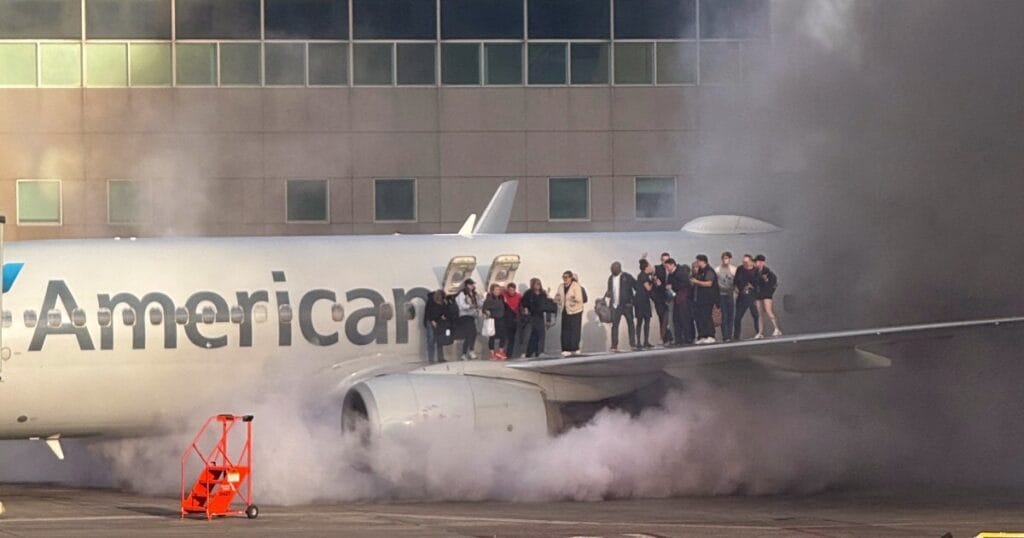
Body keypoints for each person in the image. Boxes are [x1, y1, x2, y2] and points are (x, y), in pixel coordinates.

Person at [604, 261, 637, 352]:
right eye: (611, 269)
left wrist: (632, 300)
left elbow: (636, 286)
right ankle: (614, 345)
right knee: (615, 325)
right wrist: (608, 295)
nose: (612, 271)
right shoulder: (610, 278)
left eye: (614, 269)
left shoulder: (627, 277)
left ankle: (633, 344)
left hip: (627, 305)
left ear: (619, 268)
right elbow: (610, 290)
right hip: (615, 305)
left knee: (630, 324)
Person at [554, 270, 585, 356]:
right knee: (565, 330)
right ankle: (565, 348)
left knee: (575, 330)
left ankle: (574, 348)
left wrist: (572, 299)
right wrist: (557, 299)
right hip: (565, 310)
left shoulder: (576, 286)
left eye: (566, 277)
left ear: (571, 278)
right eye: (563, 277)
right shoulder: (561, 286)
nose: (565, 279)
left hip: (575, 310)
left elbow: (580, 299)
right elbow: (558, 296)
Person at [690, 254, 719, 345]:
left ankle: (711, 335)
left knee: (707, 317)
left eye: (698, 261)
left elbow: (709, 283)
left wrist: (696, 282)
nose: (697, 263)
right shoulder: (699, 272)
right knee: (700, 317)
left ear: (703, 261)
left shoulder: (709, 271)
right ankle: (702, 335)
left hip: (707, 299)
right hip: (699, 299)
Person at [665, 259, 695, 345]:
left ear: (672, 265)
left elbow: (685, 284)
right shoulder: (670, 275)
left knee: (685, 318)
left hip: (684, 298)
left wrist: (673, 286)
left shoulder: (681, 272)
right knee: (676, 319)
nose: (667, 269)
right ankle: (678, 339)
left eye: (668, 267)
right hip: (676, 298)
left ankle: (688, 338)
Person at [754, 254, 783, 338]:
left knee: (768, 310)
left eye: (760, 262)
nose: (758, 264)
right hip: (758, 294)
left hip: (766, 294)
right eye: (757, 262)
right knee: (759, 313)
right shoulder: (755, 272)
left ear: (763, 262)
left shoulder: (768, 272)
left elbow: (774, 283)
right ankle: (760, 332)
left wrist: (769, 292)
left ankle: (777, 328)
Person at [520, 278, 550, 357]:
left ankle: (540, 352)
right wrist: (525, 309)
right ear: (533, 284)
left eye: (539, 283)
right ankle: (525, 352)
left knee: (541, 335)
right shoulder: (528, 293)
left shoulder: (543, 294)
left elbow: (547, 305)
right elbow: (524, 303)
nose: (538, 285)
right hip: (531, 316)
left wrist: (548, 319)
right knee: (528, 335)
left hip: (540, 316)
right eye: (536, 283)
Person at [733, 254, 760, 340]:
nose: (745, 264)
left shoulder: (756, 270)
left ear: (751, 262)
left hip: (752, 296)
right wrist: (738, 289)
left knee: (756, 315)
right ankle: (736, 336)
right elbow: (736, 281)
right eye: (744, 262)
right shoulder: (740, 269)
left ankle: (759, 332)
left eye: (747, 262)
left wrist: (755, 291)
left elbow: (758, 283)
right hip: (742, 296)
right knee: (737, 317)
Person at [454, 279, 481, 360]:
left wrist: (481, 301)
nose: (473, 286)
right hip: (465, 316)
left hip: (472, 315)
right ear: (467, 285)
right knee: (469, 333)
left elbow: (478, 303)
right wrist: (470, 306)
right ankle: (465, 353)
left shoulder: (474, 294)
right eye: (471, 284)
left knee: (473, 333)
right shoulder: (462, 294)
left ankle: (470, 350)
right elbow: (461, 305)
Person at [423, 289, 449, 363]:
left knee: (439, 339)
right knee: (431, 339)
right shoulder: (431, 301)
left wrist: (443, 317)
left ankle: (440, 357)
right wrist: (432, 321)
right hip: (430, 321)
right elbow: (428, 312)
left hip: (439, 321)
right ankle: (431, 359)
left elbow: (444, 311)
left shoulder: (443, 302)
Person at [482, 283, 507, 360]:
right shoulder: (489, 299)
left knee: (503, 335)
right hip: (493, 319)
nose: (498, 291)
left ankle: (500, 351)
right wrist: (487, 312)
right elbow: (484, 308)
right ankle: (492, 353)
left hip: (501, 318)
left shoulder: (501, 298)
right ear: (492, 291)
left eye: (498, 290)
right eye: (496, 290)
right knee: (492, 336)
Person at [716, 252, 737, 342]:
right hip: (721, 294)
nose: (725, 260)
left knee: (731, 315)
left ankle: (730, 334)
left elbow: (737, 282)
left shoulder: (733, 269)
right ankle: (725, 336)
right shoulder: (717, 270)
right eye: (724, 258)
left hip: (730, 294)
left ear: (730, 259)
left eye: (727, 258)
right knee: (724, 315)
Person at [634, 259, 655, 348]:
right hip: (642, 301)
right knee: (642, 321)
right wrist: (653, 282)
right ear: (646, 267)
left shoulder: (642, 275)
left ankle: (644, 341)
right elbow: (648, 288)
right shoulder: (643, 276)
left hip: (642, 300)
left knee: (643, 321)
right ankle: (640, 341)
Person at [652, 252, 672, 344]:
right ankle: (664, 338)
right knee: (662, 318)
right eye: (663, 260)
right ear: (661, 261)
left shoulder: (672, 269)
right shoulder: (657, 269)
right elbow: (655, 282)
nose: (665, 263)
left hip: (671, 298)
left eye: (667, 260)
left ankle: (670, 337)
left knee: (669, 319)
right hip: (660, 299)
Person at [503, 282, 523, 358]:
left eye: (512, 290)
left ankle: (509, 354)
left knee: (512, 338)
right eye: (509, 290)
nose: (511, 291)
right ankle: (503, 352)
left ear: (515, 290)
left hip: (514, 318)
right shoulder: (505, 295)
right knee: (505, 337)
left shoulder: (518, 296)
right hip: (506, 319)